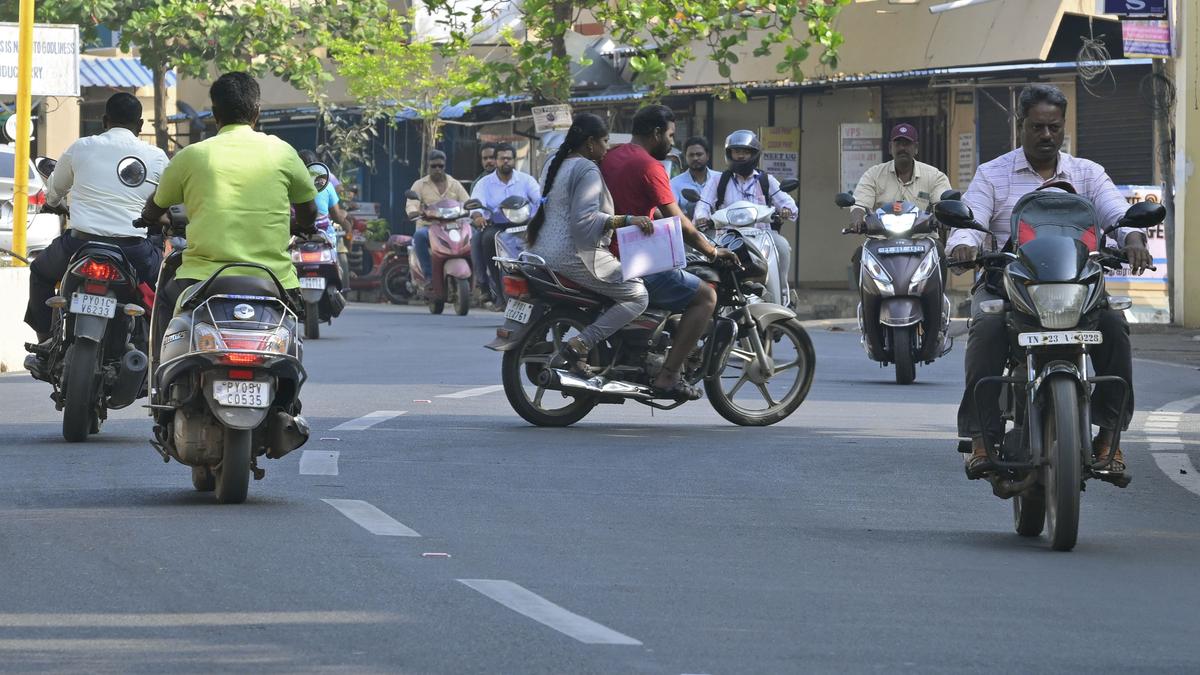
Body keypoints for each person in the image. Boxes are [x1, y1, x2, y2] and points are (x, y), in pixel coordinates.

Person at [947, 84, 1152, 478]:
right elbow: (970, 220)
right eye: (1037, 127)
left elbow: (1116, 214)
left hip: (1077, 292)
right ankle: (982, 438)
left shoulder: (1088, 174)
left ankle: (1109, 437)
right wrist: (962, 245)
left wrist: (1133, 239)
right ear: (1020, 125)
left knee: (1114, 324)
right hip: (1009, 289)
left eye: (1054, 127)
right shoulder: (993, 174)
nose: (1046, 135)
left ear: (1063, 127)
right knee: (986, 327)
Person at [140, 72, 319, 345]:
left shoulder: (191, 156)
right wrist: (303, 225)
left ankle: (159, 371)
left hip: (200, 280)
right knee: (291, 337)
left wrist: (148, 217)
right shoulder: (283, 152)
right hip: (274, 280)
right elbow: (309, 209)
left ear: (214, 114)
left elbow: (157, 204)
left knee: (164, 299)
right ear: (257, 111)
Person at [600, 104, 738, 399]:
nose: (672, 142)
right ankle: (669, 375)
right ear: (657, 133)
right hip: (631, 259)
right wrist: (712, 250)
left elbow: (654, 212)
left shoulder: (612, 155)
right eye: (671, 135)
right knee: (705, 296)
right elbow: (680, 222)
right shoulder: (650, 167)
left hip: (606, 253)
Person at [25, 93, 168, 358]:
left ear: (104, 121)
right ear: (140, 125)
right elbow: (168, 200)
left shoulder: (81, 147)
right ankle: (158, 352)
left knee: (40, 272)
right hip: (133, 250)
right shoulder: (157, 157)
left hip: (80, 243)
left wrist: (54, 202)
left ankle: (46, 340)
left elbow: (54, 193)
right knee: (166, 289)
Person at [527, 113, 652, 370]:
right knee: (638, 295)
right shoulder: (587, 169)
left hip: (540, 252)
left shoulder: (554, 162)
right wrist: (628, 219)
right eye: (605, 141)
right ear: (590, 143)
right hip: (572, 255)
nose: (608, 147)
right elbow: (585, 221)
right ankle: (583, 342)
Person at [693, 130, 796, 304]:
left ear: (754, 154)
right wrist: (702, 217)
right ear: (729, 154)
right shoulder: (718, 180)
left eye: (745, 151)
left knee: (782, 246)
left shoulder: (766, 180)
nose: (740, 156)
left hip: (763, 235)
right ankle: (712, 302)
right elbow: (703, 204)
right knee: (704, 258)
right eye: (736, 151)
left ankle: (782, 296)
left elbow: (789, 204)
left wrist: (786, 209)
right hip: (727, 237)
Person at [470, 143, 541, 306]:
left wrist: (539, 215)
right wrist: (478, 216)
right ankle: (495, 288)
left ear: (514, 160)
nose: (506, 161)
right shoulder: (484, 183)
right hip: (498, 226)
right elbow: (476, 204)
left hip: (526, 224)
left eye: (509, 158)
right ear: (496, 161)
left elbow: (539, 199)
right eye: (502, 158)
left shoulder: (526, 180)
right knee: (485, 239)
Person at [850, 122, 953, 223]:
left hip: (922, 233)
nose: (902, 148)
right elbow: (860, 204)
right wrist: (858, 220)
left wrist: (941, 218)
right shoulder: (873, 175)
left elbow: (942, 204)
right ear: (890, 148)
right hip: (881, 234)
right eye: (898, 144)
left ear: (916, 148)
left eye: (907, 144)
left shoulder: (935, 176)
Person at [406, 150, 470, 279]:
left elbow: (467, 202)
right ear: (428, 167)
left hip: (453, 228)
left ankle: (478, 279)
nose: (437, 169)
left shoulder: (454, 184)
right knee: (419, 236)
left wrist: (471, 210)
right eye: (433, 166)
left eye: (440, 166)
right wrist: (414, 211)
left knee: (473, 234)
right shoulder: (419, 185)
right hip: (429, 227)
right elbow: (412, 204)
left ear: (444, 166)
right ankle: (429, 277)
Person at [299, 149, 350, 246]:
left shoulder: (291, 186)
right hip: (323, 233)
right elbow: (337, 217)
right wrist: (346, 224)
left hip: (297, 233)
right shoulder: (327, 185)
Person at [670, 136, 718, 220]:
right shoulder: (674, 183)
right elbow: (672, 212)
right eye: (691, 155)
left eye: (699, 154)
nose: (695, 158)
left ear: (707, 156)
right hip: (688, 226)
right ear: (685, 157)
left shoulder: (719, 178)